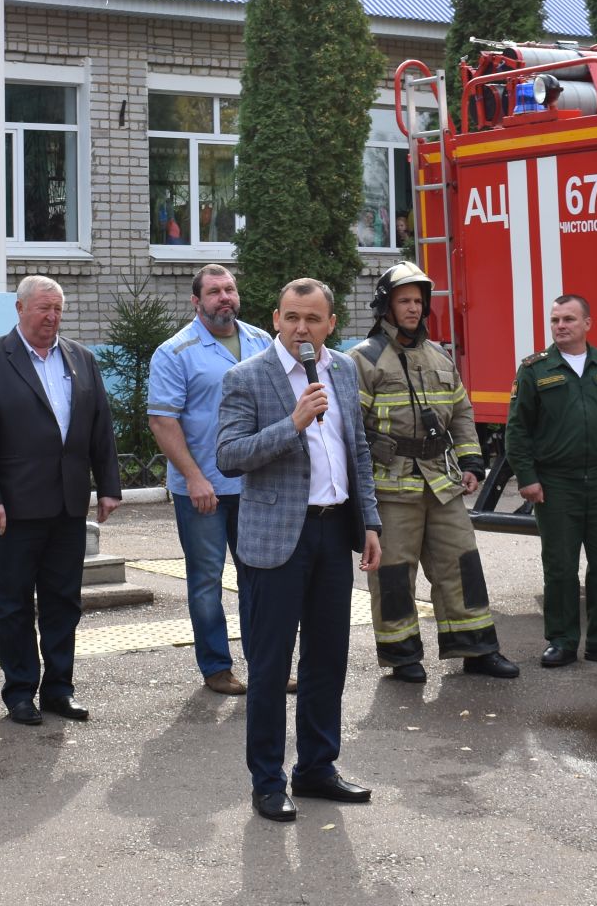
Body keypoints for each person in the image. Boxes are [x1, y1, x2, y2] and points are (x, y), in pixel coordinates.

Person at [217, 279, 381, 824]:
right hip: (275, 540)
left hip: (334, 533)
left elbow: (356, 447)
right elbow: (229, 455)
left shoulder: (343, 370)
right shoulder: (247, 377)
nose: (301, 329)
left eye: (312, 319)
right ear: (275, 318)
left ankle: (316, 768)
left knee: (327, 660)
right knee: (269, 668)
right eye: (291, 318)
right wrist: (292, 424)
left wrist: (370, 523)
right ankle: (268, 781)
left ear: (331, 323)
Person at [0, 275, 122, 725]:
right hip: (13, 508)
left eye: (57, 310)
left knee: (63, 601)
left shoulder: (81, 359)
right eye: (43, 308)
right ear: (20, 308)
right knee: (13, 604)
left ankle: (58, 689)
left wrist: (108, 485)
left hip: (68, 504)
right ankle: (19, 691)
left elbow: (99, 427)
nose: (51, 317)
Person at [350, 262, 518, 683]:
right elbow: (349, 428)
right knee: (393, 574)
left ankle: (477, 649)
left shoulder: (439, 355)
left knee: (461, 564)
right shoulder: (363, 359)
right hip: (391, 486)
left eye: (418, 302)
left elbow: (461, 412)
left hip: (441, 484)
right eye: (404, 301)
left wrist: (471, 461)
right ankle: (402, 655)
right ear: (385, 305)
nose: (413, 308)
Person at [503, 293, 597, 668]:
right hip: (556, 484)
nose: (561, 326)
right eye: (555, 320)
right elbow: (517, 432)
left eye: (569, 319)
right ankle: (562, 641)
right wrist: (528, 479)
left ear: (587, 324)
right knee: (560, 566)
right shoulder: (535, 370)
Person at [147, 264, 272, 696]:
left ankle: (266, 665)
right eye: (215, 291)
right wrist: (195, 478)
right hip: (203, 489)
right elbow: (163, 421)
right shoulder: (175, 352)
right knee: (205, 580)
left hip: (256, 485)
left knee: (259, 577)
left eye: (230, 289)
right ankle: (217, 667)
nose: (225, 297)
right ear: (196, 301)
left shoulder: (262, 342)